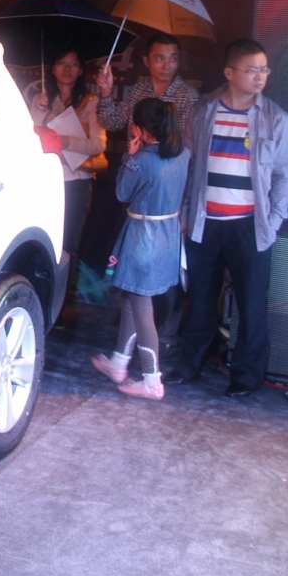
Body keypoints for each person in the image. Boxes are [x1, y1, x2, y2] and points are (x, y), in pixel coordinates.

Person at [166, 39, 288, 397]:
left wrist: (274, 220)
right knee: (200, 299)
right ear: (230, 73)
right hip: (205, 221)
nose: (260, 76)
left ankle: (246, 377)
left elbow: (285, 174)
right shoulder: (204, 111)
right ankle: (190, 365)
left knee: (252, 304)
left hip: (250, 225)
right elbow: (189, 165)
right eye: (252, 70)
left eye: (264, 70)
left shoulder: (275, 118)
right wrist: (185, 211)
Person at [96, 33, 199, 354]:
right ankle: (126, 344)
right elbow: (112, 120)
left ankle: (162, 334)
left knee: (161, 273)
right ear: (146, 60)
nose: (166, 65)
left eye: (173, 58)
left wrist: (183, 207)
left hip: (166, 199)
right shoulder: (139, 90)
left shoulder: (187, 96)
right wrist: (106, 93)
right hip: (138, 188)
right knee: (136, 271)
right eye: (159, 58)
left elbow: (189, 156)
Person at [91, 98, 189, 400]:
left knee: (142, 306)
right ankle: (119, 363)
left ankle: (151, 380)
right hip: (168, 234)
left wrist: (128, 157)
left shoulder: (141, 159)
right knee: (134, 299)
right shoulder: (183, 154)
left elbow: (122, 192)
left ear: (140, 128)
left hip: (142, 236)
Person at [30, 49, 106, 288]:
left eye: (73, 64)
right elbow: (30, 138)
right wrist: (38, 111)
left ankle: (63, 299)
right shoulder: (41, 99)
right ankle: (42, 291)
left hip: (77, 184)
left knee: (68, 244)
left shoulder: (90, 101)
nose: (67, 69)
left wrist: (64, 142)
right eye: (61, 63)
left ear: (81, 70)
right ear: (52, 68)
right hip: (46, 181)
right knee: (43, 240)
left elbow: (98, 145)